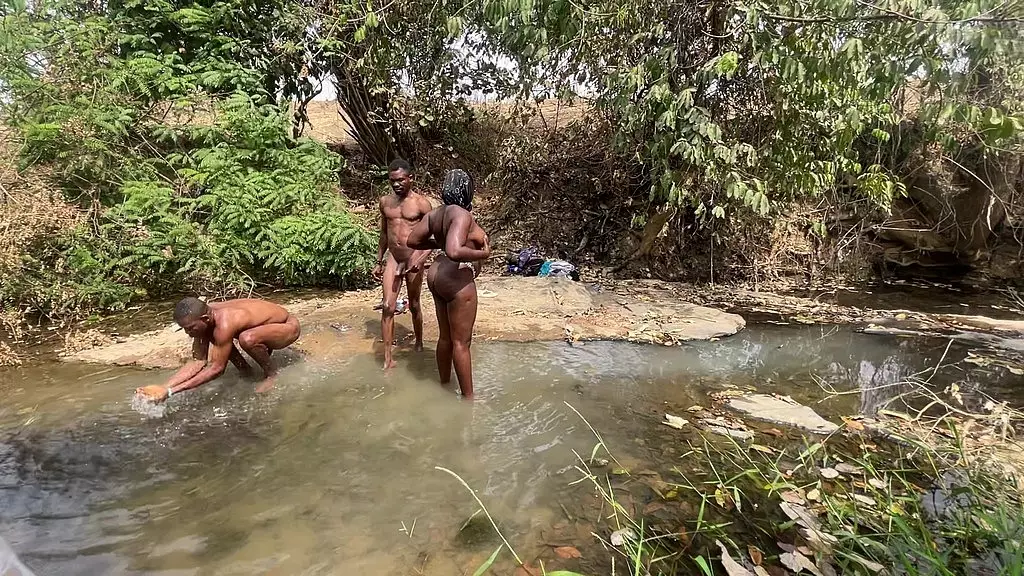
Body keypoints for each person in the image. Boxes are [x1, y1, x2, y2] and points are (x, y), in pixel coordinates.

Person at [407, 169, 491, 399]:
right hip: (456, 279)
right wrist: (483, 254)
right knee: (461, 342)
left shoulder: (436, 214)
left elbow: (413, 239)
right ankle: (468, 401)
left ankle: (444, 386)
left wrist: (439, 244)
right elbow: (454, 251)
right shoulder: (461, 215)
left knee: (446, 337)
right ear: (467, 191)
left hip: (437, 275)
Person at [134, 298, 301, 403]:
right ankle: (247, 372)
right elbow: (197, 362)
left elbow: (217, 369)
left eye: (190, 328)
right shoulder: (203, 317)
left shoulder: (224, 322)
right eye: (184, 329)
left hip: (287, 326)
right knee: (220, 340)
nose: (188, 333)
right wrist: (162, 387)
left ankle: (272, 374)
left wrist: (171, 392)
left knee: (246, 339)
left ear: (205, 319)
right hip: (262, 326)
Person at [374, 158, 433, 370]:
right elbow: (384, 233)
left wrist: (420, 259)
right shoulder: (385, 202)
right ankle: (388, 359)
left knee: (414, 304)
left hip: (413, 257)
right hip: (394, 257)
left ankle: (419, 343)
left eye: (400, 180)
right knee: (387, 306)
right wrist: (378, 260)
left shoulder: (421, 204)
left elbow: (433, 238)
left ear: (410, 178)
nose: (396, 184)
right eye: (392, 181)